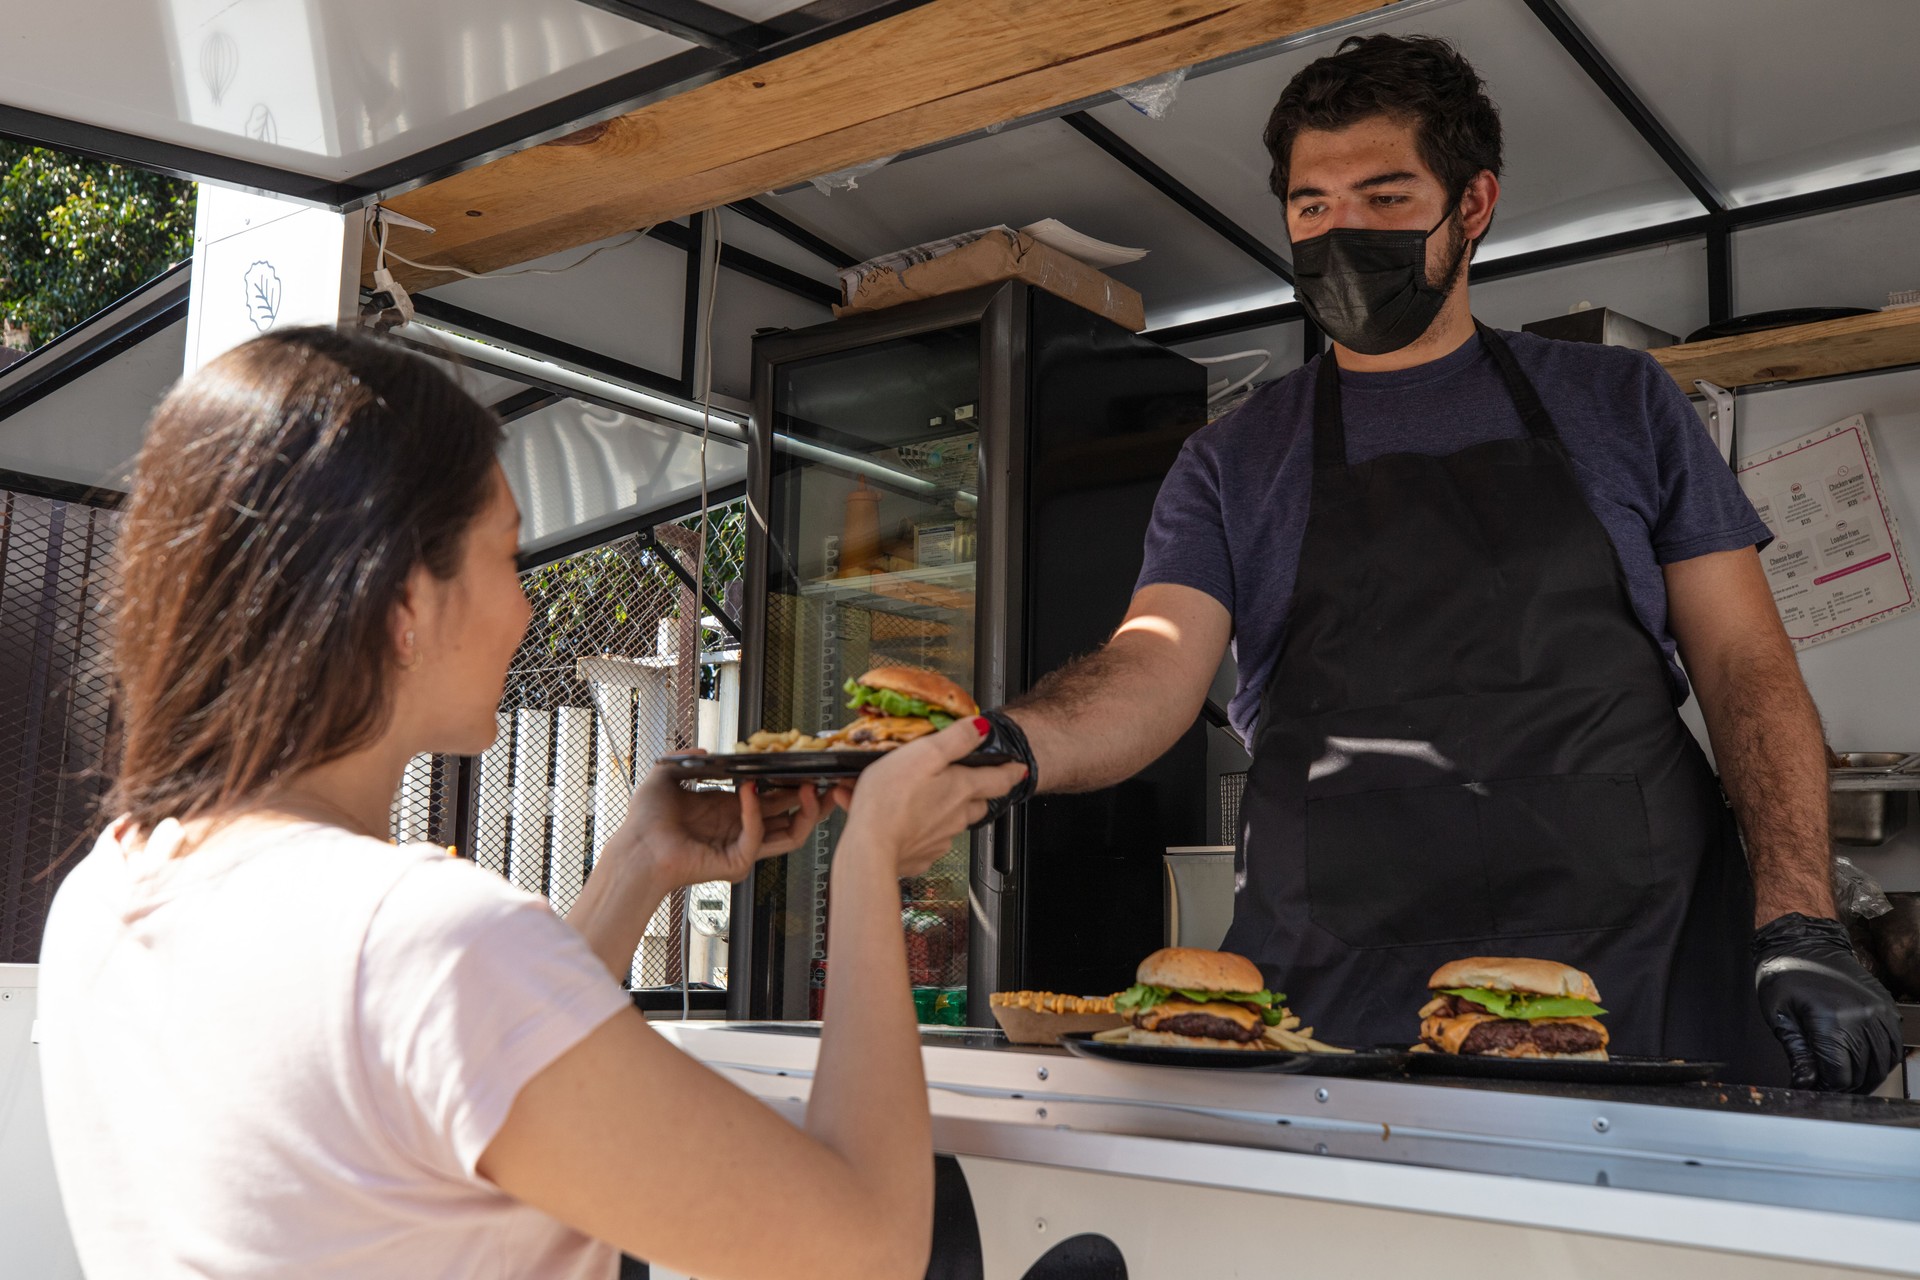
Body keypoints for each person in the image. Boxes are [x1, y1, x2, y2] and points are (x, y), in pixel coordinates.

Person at [978, 35, 1899, 1090]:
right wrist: (1005, 741)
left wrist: (1799, 920)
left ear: (1473, 204)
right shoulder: (1232, 457)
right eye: (1312, 205)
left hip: (1636, 973)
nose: (1342, 232)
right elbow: (1152, 664)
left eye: (1383, 195)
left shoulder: (1622, 402)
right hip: (1336, 995)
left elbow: (1746, 665)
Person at [35, 326, 1026, 1279]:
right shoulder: (426, 942)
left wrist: (640, 863)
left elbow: (451, 1079)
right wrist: (867, 861)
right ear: (404, 604)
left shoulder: (105, 890)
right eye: (508, 554)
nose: (524, 605)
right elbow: (874, 1246)